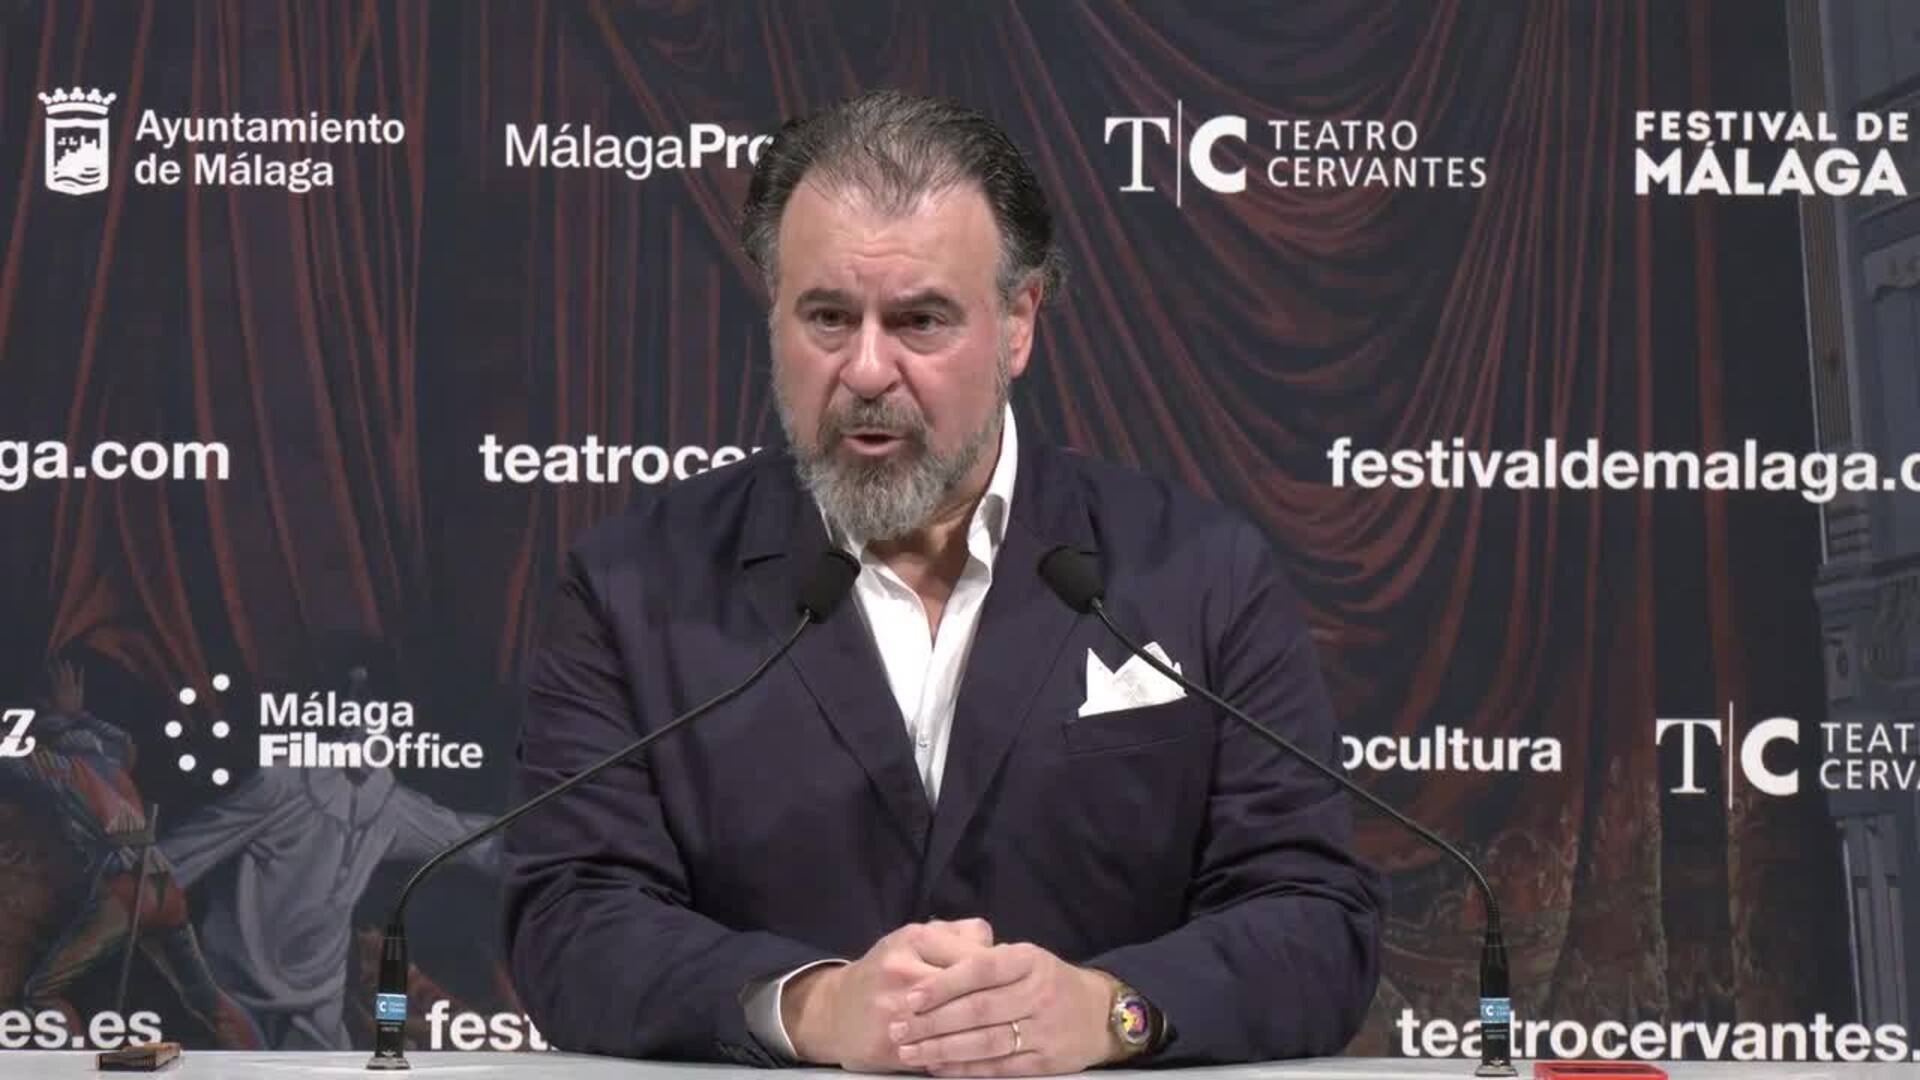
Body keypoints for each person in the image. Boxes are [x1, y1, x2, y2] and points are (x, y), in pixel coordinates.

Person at [504, 89, 1383, 1072]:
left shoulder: (1200, 574)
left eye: (919, 320)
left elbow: (1314, 919)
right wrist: (813, 1008)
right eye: (827, 317)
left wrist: (1112, 1013)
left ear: (1019, 322)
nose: (866, 370)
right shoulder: (634, 588)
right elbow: (570, 920)